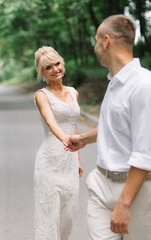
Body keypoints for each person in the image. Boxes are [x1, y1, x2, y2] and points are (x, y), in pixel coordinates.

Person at [65, 15, 151, 240]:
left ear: (106, 41)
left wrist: (124, 204)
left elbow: (145, 152)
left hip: (139, 192)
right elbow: (115, 127)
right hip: (102, 185)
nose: (94, 48)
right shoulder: (114, 83)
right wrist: (84, 138)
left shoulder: (144, 86)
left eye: (95, 41)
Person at [34, 46, 83, 240]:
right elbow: (50, 120)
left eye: (57, 64)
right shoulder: (41, 95)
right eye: (48, 67)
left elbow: (74, 125)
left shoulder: (73, 92)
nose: (55, 69)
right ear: (42, 72)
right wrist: (65, 138)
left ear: (63, 64)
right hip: (49, 162)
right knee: (48, 219)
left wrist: (78, 159)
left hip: (69, 161)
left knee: (67, 219)